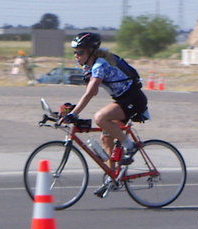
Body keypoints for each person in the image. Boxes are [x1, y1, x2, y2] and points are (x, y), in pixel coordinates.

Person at [58, 32, 149, 196]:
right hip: (122, 99)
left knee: (100, 117)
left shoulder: (100, 64)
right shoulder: (90, 65)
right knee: (106, 137)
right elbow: (89, 92)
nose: (76, 56)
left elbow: (91, 92)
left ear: (91, 51)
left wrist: (75, 113)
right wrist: (71, 110)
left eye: (80, 52)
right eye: (75, 52)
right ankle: (112, 179)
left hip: (133, 99)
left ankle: (130, 146)